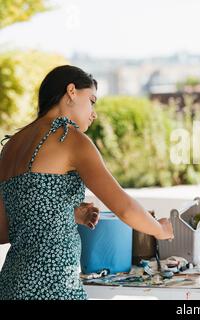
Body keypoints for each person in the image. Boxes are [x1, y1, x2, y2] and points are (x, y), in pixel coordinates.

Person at [0, 65, 174, 300]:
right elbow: (123, 207)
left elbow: (5, 230)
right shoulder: (68, 138)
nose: (93, 113)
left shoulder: (11, 146)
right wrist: (160, 230)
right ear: (71, 91)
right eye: (91, 100)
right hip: (54, 285)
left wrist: (66, 215)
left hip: (11, 284)